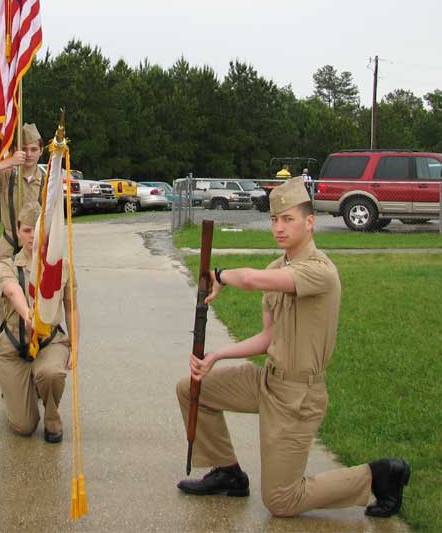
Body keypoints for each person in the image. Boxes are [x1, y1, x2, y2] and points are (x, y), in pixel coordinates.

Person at [174, 177, 410, 519]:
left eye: (288, 219)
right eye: (274, 220)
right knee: (191, 389)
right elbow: (268, 337)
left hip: (298, 396)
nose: (279, 228)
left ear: (310, 222)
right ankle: (229, 473)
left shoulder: (320, 271)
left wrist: (221, 275)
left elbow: (252, 281)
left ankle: (379, 476)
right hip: (266, 381)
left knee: (282, 501)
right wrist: (215, 357)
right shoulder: (276, 267)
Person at [0, 202, 78, 442]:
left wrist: (75, 344)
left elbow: (71, 308)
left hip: (49, 341)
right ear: (19, 232)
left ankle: (52, 416)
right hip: (14, 347)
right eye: (27, 230)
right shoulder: (7, 265)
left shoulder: (60, 267)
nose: (33, 236)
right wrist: (27, 313)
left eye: (38, 230)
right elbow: (12, 291)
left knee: (51, 373)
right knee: (24, 426)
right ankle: (22, 390)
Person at [0, 123, 44, 264]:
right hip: (9, 246)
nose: (28, 154)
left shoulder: (47, 181)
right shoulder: (6, 175)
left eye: (34, 149)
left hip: (36, 246)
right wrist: (10, 161)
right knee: (7, 283)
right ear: (17, 150)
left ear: (41, 151)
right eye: (24, 149)